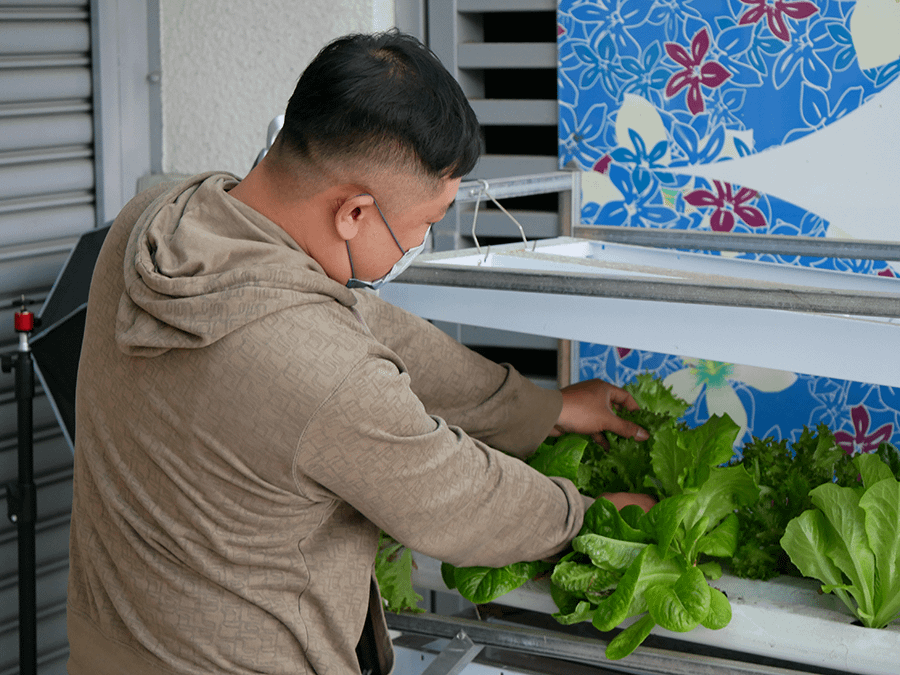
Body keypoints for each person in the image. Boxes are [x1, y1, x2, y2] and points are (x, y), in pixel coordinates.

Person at [66, 30, 653, 675]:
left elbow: (367, 326)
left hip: (107, 647)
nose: (421, 241)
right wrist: (591, 517)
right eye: (425, 224)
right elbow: (456, 499)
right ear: (353, 214)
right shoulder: (325, 377)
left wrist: (543, 409)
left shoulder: (155, 219)